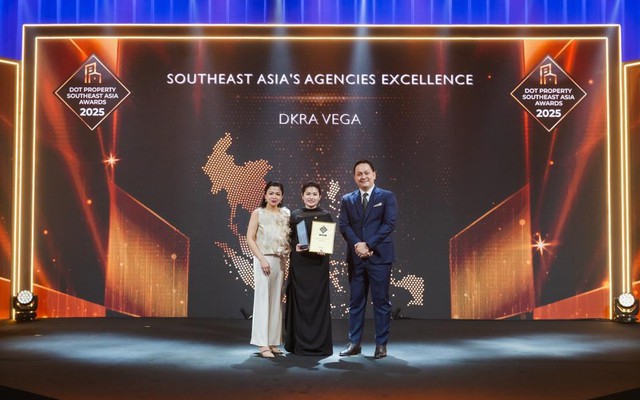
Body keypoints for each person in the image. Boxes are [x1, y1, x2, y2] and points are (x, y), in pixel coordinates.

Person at [338, 159, 398, 359]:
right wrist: (358, 245)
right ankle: (354, 343)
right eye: (359, 174)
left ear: (374, 174)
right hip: (356, 258)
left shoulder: (387, 196)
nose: (363, 176)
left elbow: (389, 224)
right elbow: (344, 225)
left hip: (379, 257)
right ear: (354, 177)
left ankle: (381, 345)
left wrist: (369, 245)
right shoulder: (347, 199)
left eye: (366, 173)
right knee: (356, 302)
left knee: (381, 302)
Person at [284, 182, 334, 356]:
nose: (311, 197)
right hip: (300, 265)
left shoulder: (326, 215)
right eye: (308, 194)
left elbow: (329, 240)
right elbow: (288, 238)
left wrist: (325, 248)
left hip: (318, 266)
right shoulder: (295, 215)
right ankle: (299, 343)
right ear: (302, 196)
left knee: (318, 303)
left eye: (314, 194)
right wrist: (294, 246)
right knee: (301, 303)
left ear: (320, 196)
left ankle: (320, 344)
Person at [246, 181, 291, 358]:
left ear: (282, 196)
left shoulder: (285, 214)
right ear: (265, 195)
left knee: (276, 301)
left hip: (280, 261)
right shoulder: (258, 213)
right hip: (263, 259)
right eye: (271, 193)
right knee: (263, 300)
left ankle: (272, 342)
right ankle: (262, 343)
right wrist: (262, 259)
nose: (274, 196)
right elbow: (250, 238)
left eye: (277, 194)